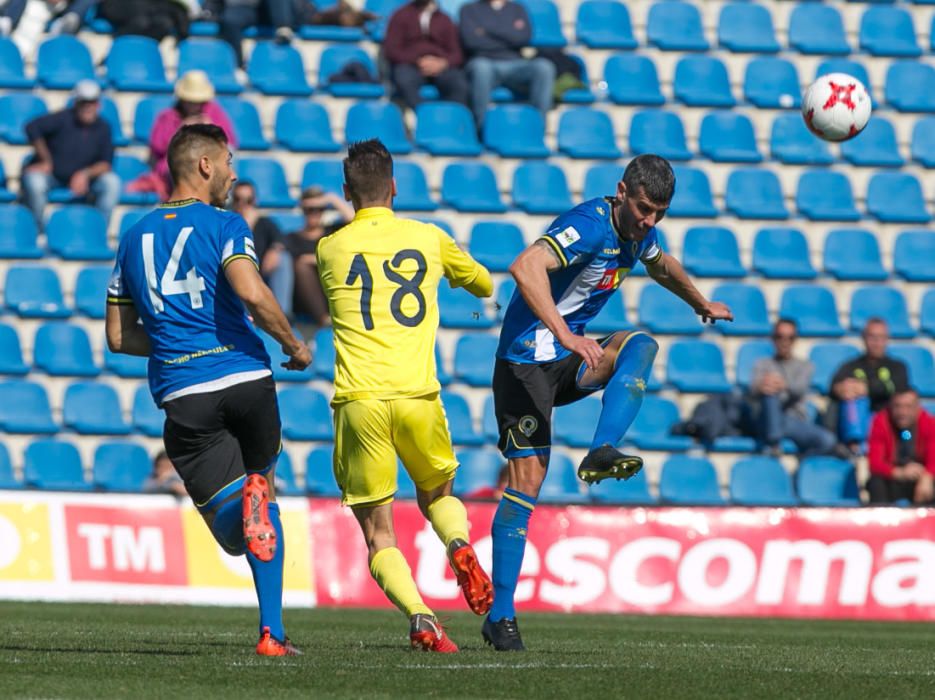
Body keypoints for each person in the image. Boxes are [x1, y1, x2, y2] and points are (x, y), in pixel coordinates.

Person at [487, 154, 733, 651]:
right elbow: (525, 265)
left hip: (568, 353)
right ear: (621, 191)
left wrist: (700, 303)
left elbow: (662, 265)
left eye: (659, 213)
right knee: (527, 479)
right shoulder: (588, 225)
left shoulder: (638, 233)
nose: (650, 221)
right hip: (525, 361)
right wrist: (566, 335)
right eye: (644, 209)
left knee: (639, 344)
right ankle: (501, 616)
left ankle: (602, 449)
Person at [105, 124, 311, 656]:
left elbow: (117, 336)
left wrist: (177, 342)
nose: (233, 173)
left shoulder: (131, 235)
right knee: (263, 501)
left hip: (184, 393)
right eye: (229, 162)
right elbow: (252, 291)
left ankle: (249, 513)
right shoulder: (225, 224)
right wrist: (295, 343)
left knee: (234, 531)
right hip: (247, 378)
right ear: (204, 166)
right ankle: (272, 633)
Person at [316, 139, 494, 652]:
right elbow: (483, 285)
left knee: (379, 535)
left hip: (360, 401)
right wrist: (457, 272)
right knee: (438, 495)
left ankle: (421, 617)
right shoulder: (430, 238)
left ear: (347, 192)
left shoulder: (330, 247)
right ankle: (458, 543)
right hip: (418, 396)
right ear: (395, 187)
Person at [21, 80, 120, 228]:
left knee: (112, 183)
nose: (88, 106)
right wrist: (45, 160)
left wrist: (85, 174)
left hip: (87, 181)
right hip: (52, 176)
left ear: (98, 104)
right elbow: (32, 128)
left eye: (92, 102)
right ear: (76, 103)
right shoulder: (62, 118)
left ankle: (97, 230)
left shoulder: (104, 127)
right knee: (34, 181)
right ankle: (36, 230)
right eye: (83, 102)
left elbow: (106, 164)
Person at [129, 70, 237, 201]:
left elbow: (230, 142)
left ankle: (222, 201)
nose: (194, 104)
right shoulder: (167, 117)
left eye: (198, 100)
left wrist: (211, 129)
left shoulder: (215, 113)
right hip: (176, 166)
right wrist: (180, 130)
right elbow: (158, 148)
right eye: (190, 100)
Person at [747, 319, 838, 457]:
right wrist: (762, 387)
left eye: (790, 338)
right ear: (773, 338)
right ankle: (773, 443)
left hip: (792, 422)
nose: (784, 342)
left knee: (828, 440)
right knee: (770, 394)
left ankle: (800, 461)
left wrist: (783, 385)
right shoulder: (762, 364)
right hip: (765, 420)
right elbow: (751, 389)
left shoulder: (805, 366)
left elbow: (799, 389)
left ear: (795, 340)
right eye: (780, 337)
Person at [459, 0, 555, 128]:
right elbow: (472, 42)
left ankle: (536, 127)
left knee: (544, 67)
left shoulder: (518, 8)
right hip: (485, 62)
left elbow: (523, 38)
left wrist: (486, 30)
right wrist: (508, 32)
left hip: (516, 64)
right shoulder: (468, 9)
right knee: (481, 68)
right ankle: (482, 129)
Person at [827, 318, 909, 448]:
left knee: (908, 416)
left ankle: (907, 450)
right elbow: (833, 386)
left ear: (887, 339)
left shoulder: (898, 366)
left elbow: (899, 387)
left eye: (881, 337)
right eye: (872, 337)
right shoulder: (850, 365)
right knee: (849, 401)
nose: (877, 343)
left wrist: (866, 388)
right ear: (863, 338)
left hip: (892, 426)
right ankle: (854, 446)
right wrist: (842, 389)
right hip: (859, 424)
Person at [285, 185, 353, 325]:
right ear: (303, 210)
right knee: (302, 266)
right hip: (305, 300)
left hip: (331, 290)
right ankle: (324, 319)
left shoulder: (333, 231)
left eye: (319, 209)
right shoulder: (292, 238)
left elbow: (356, 222)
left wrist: (332, 199)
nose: (314, 213)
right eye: (309, 209)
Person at [383, 0, 468, 112]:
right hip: (410, 66)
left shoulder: (445, 19)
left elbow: (457, 53)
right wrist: (417, 61)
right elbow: (391, 50)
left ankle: (450, 119)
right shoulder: (400, 15)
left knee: (458, 82)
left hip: (441, 67)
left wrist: (442, 63)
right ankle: (424, 116)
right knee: (403, 78)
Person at [230, 180, 293, 316]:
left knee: (283, 259)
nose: (243, 205)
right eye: (238, 199)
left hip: (263, 278)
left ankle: (282, 314)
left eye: (248, 200)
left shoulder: (264, 222)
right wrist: (247, 226)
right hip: (238, 281)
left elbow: (282, 239)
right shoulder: (227, 223)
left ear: (255, 201)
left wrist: (275, 250)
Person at [867, 390, 935, 505]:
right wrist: (900, 472)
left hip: (920, 478)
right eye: (898, 406)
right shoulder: (881, 421)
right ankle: (881, 519)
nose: (903, 412)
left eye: (908, 406)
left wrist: (927, 477)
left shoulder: (929, 423)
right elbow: (874, 463)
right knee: (876, 482)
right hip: (893, 477)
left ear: (918, 408)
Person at [216, 0, 294, 78]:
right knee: (230, 20)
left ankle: (284, 28)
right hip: (243, 8)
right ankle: (238, 67)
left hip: (270, 8)